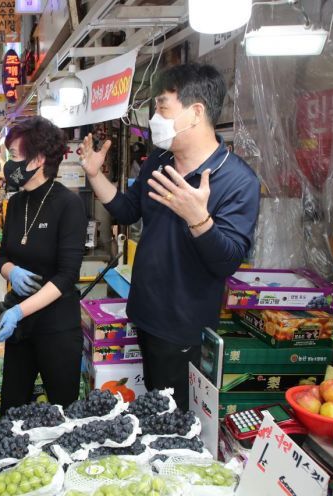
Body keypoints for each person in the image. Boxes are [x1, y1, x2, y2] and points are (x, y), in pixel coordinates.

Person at [80, 63, 260, 410]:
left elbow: (227, 261)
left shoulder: (238, 181)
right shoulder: (158, 161)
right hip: (145, 310)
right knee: (150, 406)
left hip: (183, 326)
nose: (154, 118)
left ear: (196, 112)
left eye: (162, 106)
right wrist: (95, 176)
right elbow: (129, 210)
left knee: (174, 417)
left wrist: (199, 220)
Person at [0, 117, 88, 413]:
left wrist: (19, 310)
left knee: (63, 411)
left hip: (56, 326)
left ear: (39, 159)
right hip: (19, 329)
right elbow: (4, 256)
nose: (9, 164)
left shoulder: (69, 205)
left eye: (15, 156)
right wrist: (10, 271)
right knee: (12, 408)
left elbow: (67, 275)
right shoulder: (16, 203)